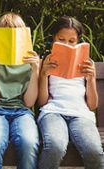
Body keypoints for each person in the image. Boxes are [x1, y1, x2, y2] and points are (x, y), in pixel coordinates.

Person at [37, 16, 104, 169]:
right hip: (53, 112)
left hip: (80, 114)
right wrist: (43, 75)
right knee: (55, 146)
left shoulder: (87, 64)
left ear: (78, 41)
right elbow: (42, 102)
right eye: (61, 40)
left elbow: (92, 104)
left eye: (71, 41)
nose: (66, 44)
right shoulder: (45, 62)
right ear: (53, 38)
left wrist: (92, 78)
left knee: (94, 151)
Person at [0, 13, 40, 169]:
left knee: (29, 142)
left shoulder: (29, 61)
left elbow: (28, 102)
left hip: (22, 111)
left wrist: (35, 71)